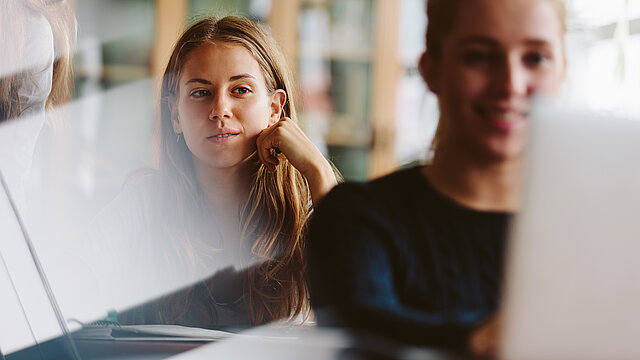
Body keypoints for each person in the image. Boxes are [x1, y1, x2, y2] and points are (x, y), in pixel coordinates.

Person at [306, 0, 566, 357]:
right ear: (431, 68)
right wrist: (478, 340)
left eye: (535, 58)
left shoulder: (603, 227)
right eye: (479, 56)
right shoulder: (357, 216)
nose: (511, 84)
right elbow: (360, 323)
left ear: (563, 69)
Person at [88, 15, 338, 328]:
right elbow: (67, 283)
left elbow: (362, 309)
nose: (220, 109)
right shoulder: (145, 201)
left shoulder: (308, 213)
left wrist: (318, 170)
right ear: (174, 114)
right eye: (200, 92)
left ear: (275, 109)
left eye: (241, 90)